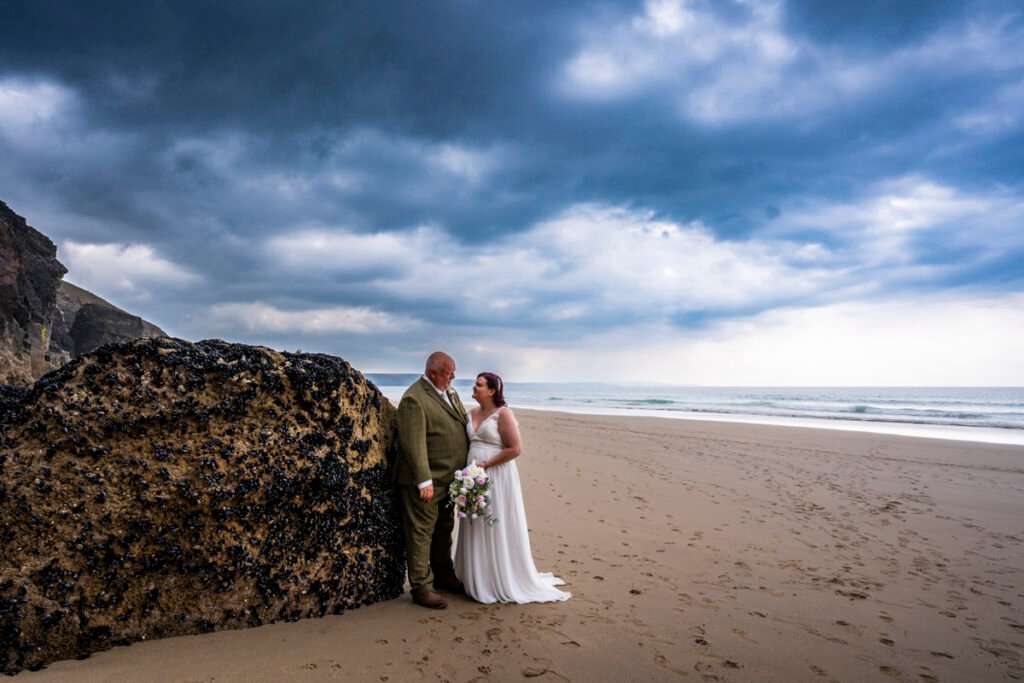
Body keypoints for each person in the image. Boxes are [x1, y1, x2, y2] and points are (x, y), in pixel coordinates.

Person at [453, 372, 571, 604]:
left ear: (492, 390)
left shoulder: (503, 414)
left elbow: (515, 449)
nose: (474, 388)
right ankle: (473, 575)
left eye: (479, 385)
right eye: (474, 384)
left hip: (496, 474)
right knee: (474, 521)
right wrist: (468, 473)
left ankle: (496, 578)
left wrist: (486, 465)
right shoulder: (471, 413)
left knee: (494, 521)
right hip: (472, 474)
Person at [395, 352, 470, 609]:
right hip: (427, 482)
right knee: (421, 533)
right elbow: (412, 443)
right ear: (433, 372)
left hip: (448, 480)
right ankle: (421, 587)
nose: (453, 377)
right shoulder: (414, 399)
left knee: (443, 530)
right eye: (449, 373)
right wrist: (423, 480)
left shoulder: (450, 393)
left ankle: (443, 575)